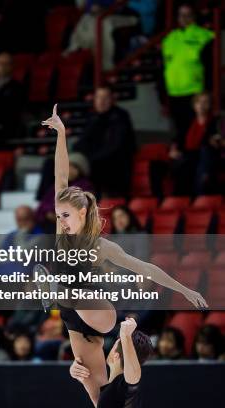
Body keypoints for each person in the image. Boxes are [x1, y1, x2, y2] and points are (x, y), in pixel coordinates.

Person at [38, 104, 206, 404]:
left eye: (65, 215)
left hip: (98, 311)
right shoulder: (63, 231)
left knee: (64, 289)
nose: (60, 220)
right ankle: (54, 291)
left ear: (82, 212)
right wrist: (61, 134)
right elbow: (60, 176)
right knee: (97, 393)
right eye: (58, 214)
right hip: (74, 320)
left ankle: (52, 288)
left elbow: (148, 269)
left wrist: (184, 289)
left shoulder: (102, 247)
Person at [69, 317, 152, 407]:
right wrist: (80, 375)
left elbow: (133, 379)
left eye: (114, 345)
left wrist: (126, 336)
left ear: (116, 355)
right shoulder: (111, 390)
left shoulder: (123, 386)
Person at [162, 4, 213, 143]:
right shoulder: (170, 38)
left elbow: (210, 66)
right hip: (174, 92)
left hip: (195, 92)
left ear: (194, 17)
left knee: (197, 133)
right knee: (180, 132)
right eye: (181, 15)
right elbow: (165, 67)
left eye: (188, 14)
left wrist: (208, 90)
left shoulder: (204, 35)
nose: (184, 18)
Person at [73, 87, 135, 197]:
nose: (101, 101)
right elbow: (82, 142)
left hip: (114, 161)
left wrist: (90, 158)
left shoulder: (120, 116)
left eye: (105, 98)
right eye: (98, 97)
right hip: (91, 158)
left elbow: (116, 146)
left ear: (112, 100)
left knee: (96, 165)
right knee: (52, 164)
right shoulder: (92, 117)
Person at [169, 92, 219, 195]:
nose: (201, 105)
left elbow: (217, 140)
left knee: (205, 153)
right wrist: (173, 149)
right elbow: (177, 139)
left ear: (210, 105)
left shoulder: (215, 122)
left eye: (205, 102)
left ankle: (199, 197)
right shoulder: (187, 122)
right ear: (194, 105)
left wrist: (216, 141)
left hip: (206, 155)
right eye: (198, 102)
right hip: (188, 155)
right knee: (181, 163)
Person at [36, 153, 93, 232]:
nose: (69, 170)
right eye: (68, 166)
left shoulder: (85, 186)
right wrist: (48, 212)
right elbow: (44, 205)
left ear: (80, 170)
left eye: (73, 167)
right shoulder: (58, 185)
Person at [0, 52, 24, 139]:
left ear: (12, 66)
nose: (2, 67)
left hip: (7, 126)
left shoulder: (18, 87)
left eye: (6, 64)